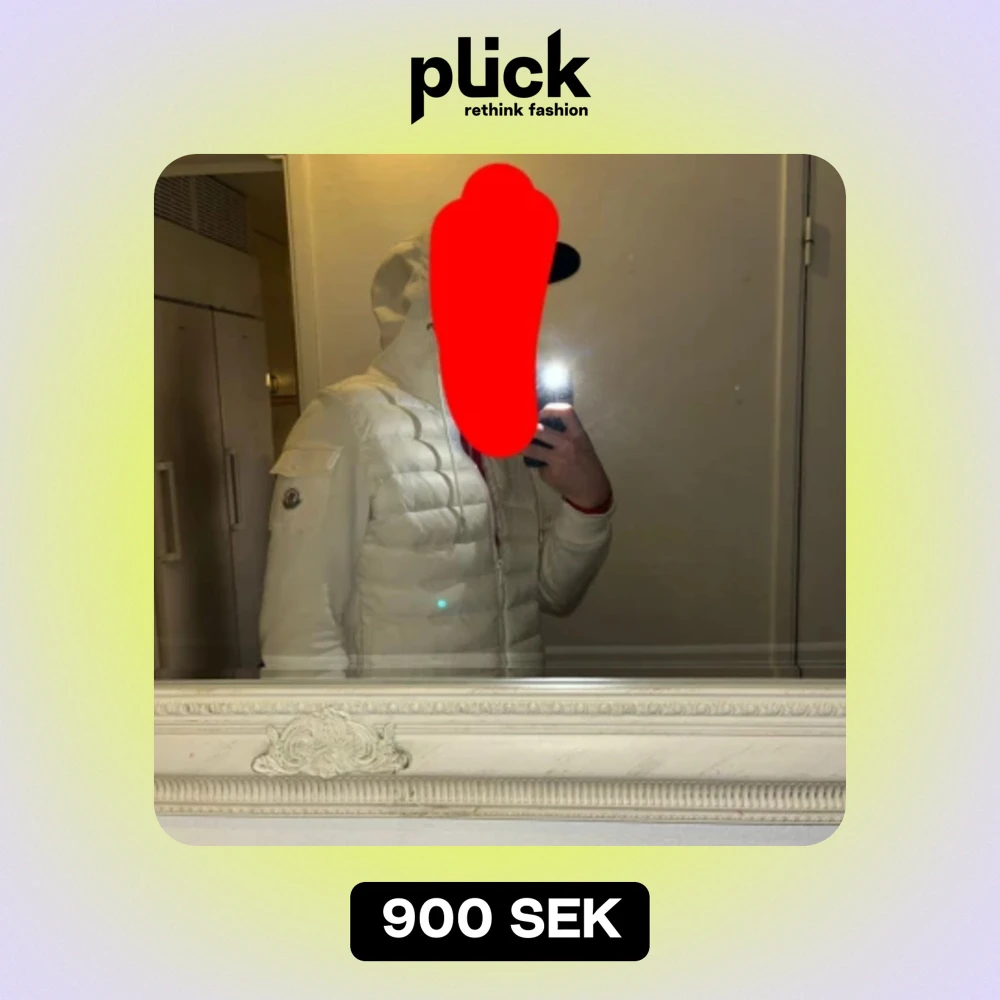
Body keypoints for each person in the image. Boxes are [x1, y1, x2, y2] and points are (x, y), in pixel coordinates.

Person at [258, 232, 614, 679]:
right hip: (406, 722)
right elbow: (299, 636)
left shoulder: (500, 436)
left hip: (512, 715)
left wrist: (588, 501)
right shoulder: (345, 419)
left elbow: (550, 594)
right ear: (429, 304)